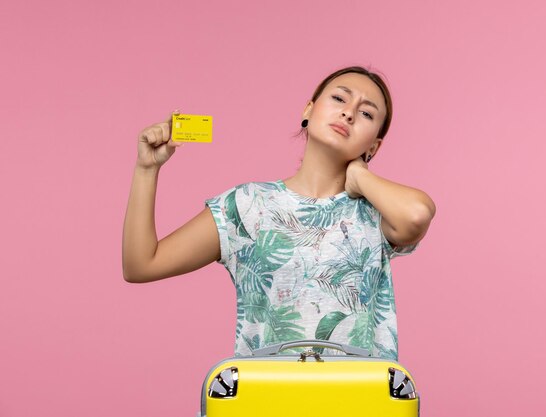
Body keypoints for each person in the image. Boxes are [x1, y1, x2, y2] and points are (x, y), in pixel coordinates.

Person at [122, 66, 436, 360]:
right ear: (309, 110)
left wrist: (361, 177)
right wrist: (147, 170)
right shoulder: (249, 205)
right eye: (339, 98)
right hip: (266, 398)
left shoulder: (376, 214)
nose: (349, 113)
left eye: (366, 113)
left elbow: (418, 214)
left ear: (375, 147)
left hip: (358, 399)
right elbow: (141, 265)